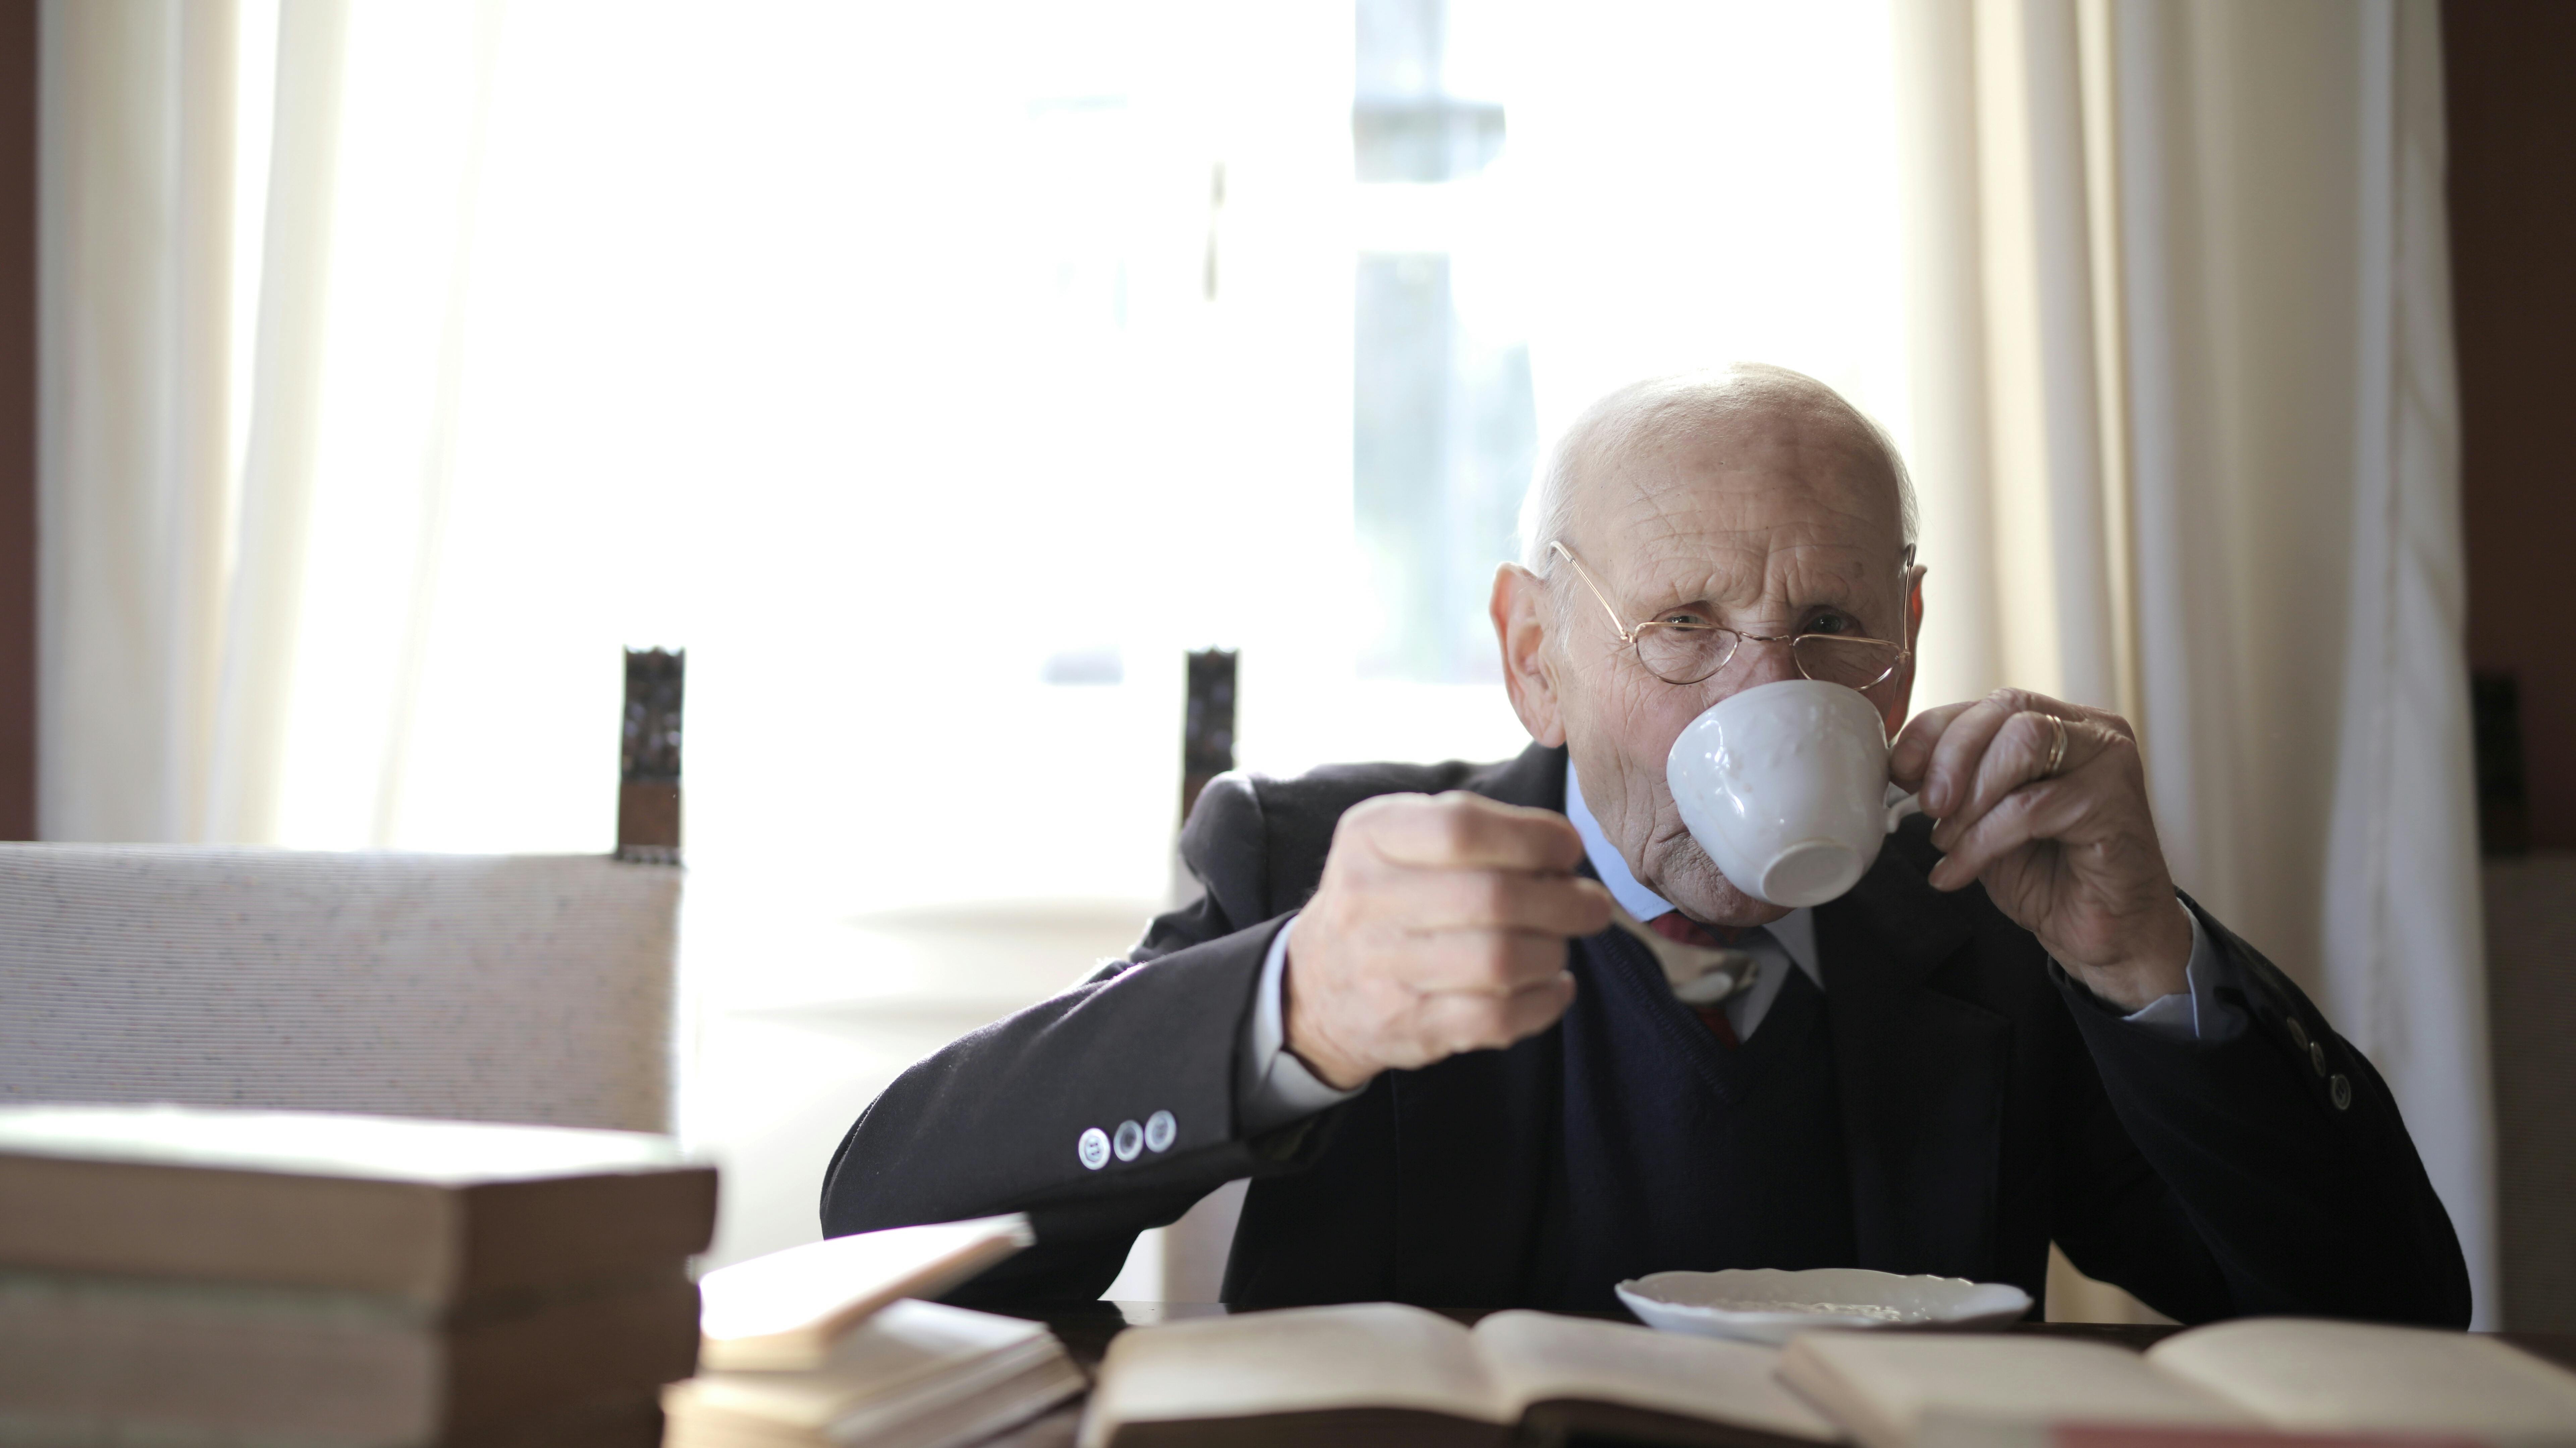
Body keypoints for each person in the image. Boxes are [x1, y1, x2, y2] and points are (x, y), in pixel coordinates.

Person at [820, 367, 2470, 1327]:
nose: (1765, 686)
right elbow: (886, 1222)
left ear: (1908, 638)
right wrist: (1287, 1013)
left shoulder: (1998, 919)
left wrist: (2149, 965)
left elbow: (2389, 1315)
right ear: (1533, 649)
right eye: (1684, 621)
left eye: (1830, 625)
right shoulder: (1330, 868)